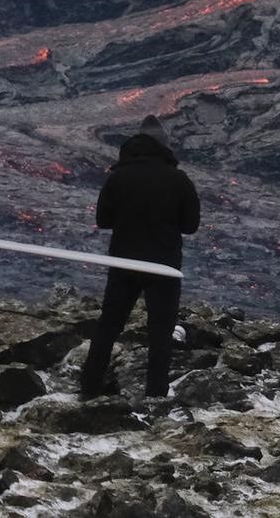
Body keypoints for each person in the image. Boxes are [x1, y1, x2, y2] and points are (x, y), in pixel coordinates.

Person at [79, 114, 201, 399]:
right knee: (161, 332)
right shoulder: (178, 179)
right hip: (163, 266)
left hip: (123, 262)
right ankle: (155, 395)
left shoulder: (118, 176)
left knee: (108, 326)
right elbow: (190, 226)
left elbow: (103, 219)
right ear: (164, 147)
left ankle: (89, 387)